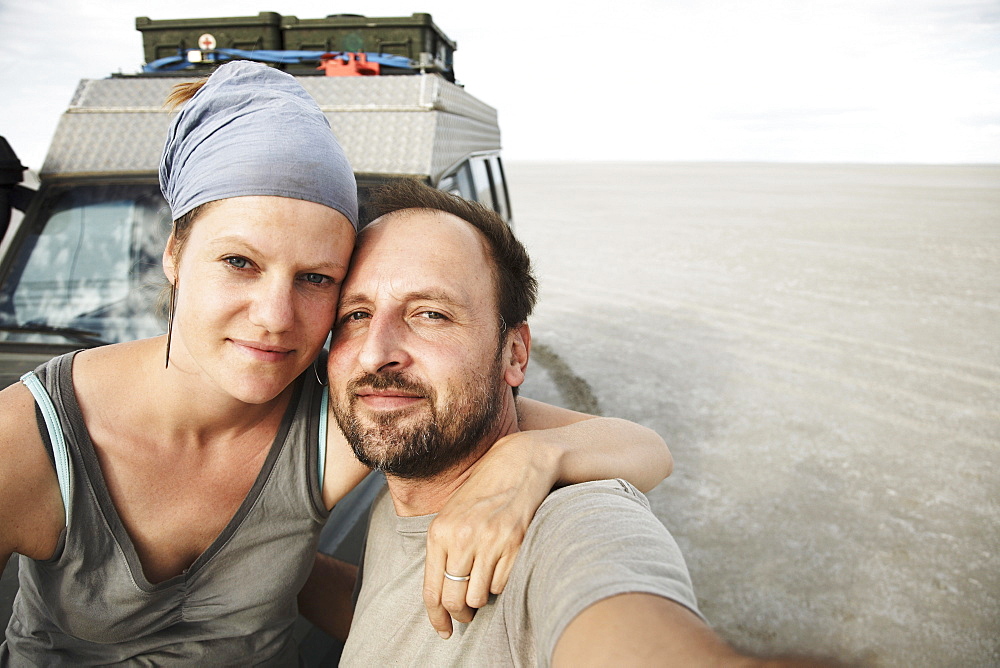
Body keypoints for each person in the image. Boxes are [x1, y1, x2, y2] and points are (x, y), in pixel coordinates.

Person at [0, 61, 672, 665]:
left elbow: (640, 448)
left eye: (317, 279)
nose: (275, 316)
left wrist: (529, 460)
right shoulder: (29, 441)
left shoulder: (334, 417)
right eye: (240, 262)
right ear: (175, 255)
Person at [329, 179, 833, 667]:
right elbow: (387, 631)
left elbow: (624, 621)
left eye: (431, 314)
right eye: (356, 314)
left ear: (515, 353)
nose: (376, 353)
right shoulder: (407, 479)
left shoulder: (565, 526)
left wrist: (534, 456)